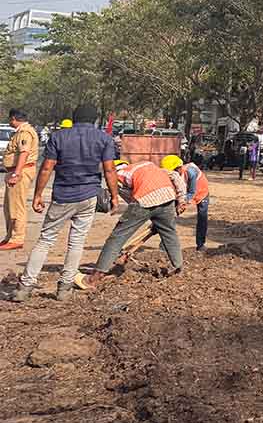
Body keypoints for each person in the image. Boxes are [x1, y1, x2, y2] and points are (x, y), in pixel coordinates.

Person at [10, 104, 119, 303]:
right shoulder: (104, 139)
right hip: (88, 196)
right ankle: (64, 289)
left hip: (63, 196)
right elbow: (110, 170)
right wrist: (114, 196)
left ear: (74, 118)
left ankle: (25, 287)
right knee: (76, 242)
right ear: (94, 120)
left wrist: (37, 195)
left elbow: (47, 168)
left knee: (45, 240)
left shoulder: (59, 137)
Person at [85, 158, 186, 288]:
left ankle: (96, 276)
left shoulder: (118, 175)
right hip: (168, 198)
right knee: (169, 234)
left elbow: (133, 201)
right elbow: (175, 175)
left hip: (145, 200)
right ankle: (178, 267)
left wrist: (138, 216)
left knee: (117, 237)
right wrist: (181, 200)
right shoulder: (147, 164)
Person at [2, 109, 39, 250]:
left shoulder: (25, 132)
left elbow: (24, 153)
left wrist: (16, 174)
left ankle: (17, 238)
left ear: (13, 118)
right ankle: (9, 237)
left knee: (17, 206)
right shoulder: (18, 132)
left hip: (21, 171)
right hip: (15, 171)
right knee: (9, 206)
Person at [164, 155, 210, 250]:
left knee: (202, 217)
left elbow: (192, 193)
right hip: (186, 193)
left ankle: (200, 244)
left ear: (179, 168)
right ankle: (164, 245)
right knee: (169, 216)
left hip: (201, 192)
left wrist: (182, 204)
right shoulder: (174, 174)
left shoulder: (191, 172)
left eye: (173, 171)